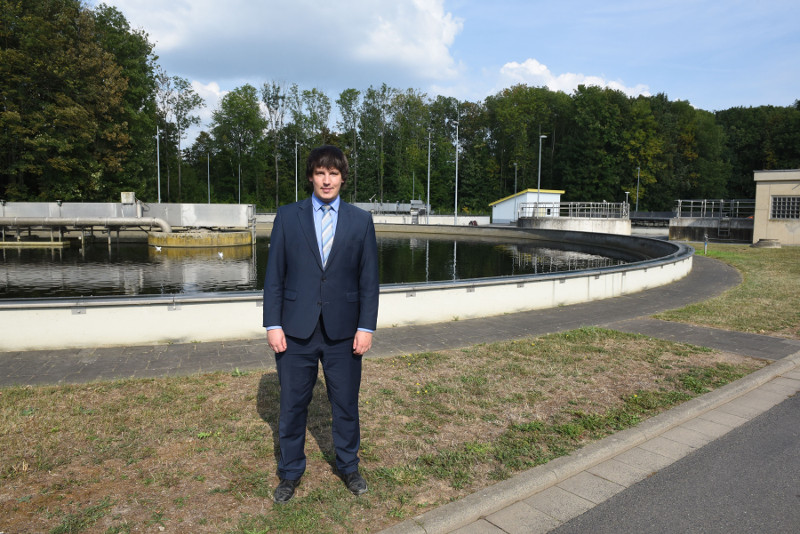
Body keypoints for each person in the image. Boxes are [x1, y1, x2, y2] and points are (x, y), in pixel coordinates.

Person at [263, 145, 380, 504]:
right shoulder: (287, 217)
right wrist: (272, 324)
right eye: (319, 173)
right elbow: (275, 277)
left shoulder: (361, 221)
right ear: (311, 176)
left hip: (344, 333)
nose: (326, 180)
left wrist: (366, 327)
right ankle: (290, 473)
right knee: (292, 406)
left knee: (345, 404)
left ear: (343, 177)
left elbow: (368, 280)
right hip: (295, 330)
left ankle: (348, 466)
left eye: (333, 173)